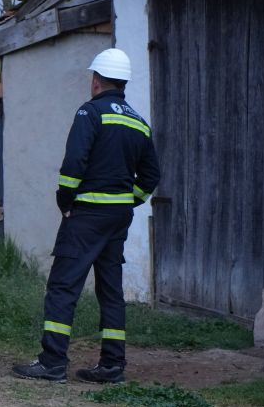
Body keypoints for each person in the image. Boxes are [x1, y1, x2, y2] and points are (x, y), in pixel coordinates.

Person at [13, 48, 160, 385]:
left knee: (63, 286)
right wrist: (129, 201)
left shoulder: (90, 113)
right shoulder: (138, 121)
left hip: (85, 216)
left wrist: (64, 200)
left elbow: (73, 164)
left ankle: (52, 362)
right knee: (111, 291)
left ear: (96, 81)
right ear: (122, 82)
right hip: (117, 218)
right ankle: (112, 365)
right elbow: (151, 176)